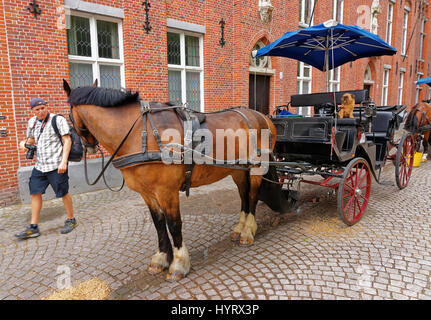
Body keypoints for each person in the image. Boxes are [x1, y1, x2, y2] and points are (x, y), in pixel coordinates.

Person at [15, 98, 77, 239]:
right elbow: (31, 140)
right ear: (32, 111)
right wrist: (24, 144)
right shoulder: (31, 122)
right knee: (35, 193)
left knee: (63, 193)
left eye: (43, 108)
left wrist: (64, 162)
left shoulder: (57, 120)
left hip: (56, 165)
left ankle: (71, 219)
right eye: (37, 109)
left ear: (46, 107)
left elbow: (67, 140)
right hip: (40, 166)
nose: (41, 111)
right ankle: (33, 227)